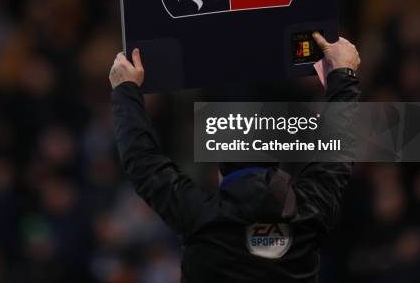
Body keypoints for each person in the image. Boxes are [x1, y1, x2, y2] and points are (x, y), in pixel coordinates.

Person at [109, 32, 360, 283]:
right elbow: (337, 151)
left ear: (220, 173)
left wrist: (125, 90)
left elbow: (142, 163)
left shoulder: (200, 217)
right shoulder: (308, 212)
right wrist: (343, 75)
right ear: (277, 164)